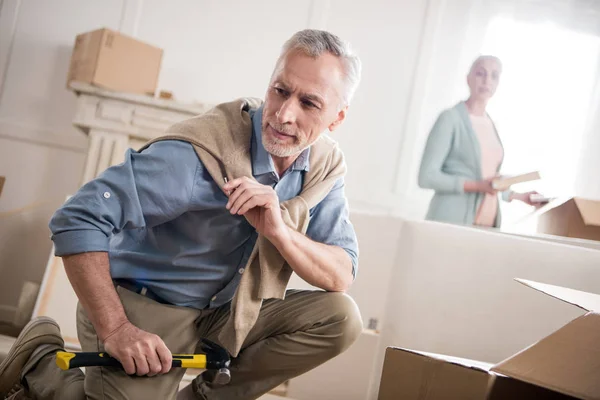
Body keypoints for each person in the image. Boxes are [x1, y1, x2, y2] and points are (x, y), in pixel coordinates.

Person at [0, 29, 363, 400]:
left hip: (227, 313)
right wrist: (117, 329)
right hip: (146, 305)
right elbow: (77, 218)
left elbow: (341, 272)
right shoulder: (199, 154)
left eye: (309, 103)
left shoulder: (322, 169)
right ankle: (42, 363)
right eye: (280, 90)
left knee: (340, 318)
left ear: (337, 118)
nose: (284, 114)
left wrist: (280, 231)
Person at [418, 55, 541, 228]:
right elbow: (426, 177)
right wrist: (478, 186)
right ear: (468, 79)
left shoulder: (491, 124)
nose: (486, 80)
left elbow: (488, 180)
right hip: (450, 222)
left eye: (494, 76)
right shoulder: (450, 119)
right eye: (480, 73)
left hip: (487, 225)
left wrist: (518, 196)